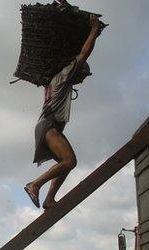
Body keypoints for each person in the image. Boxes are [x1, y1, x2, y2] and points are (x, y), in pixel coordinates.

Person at [24, 14, 103, 210]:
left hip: (49, 126)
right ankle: (34, 184)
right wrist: (93, 30)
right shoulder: (64, 76)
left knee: (65, 164)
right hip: (49, 126)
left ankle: (49, 199)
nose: (83, 79)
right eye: (83, 75)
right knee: (70, 160)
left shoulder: (56, 81)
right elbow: (84, 54)